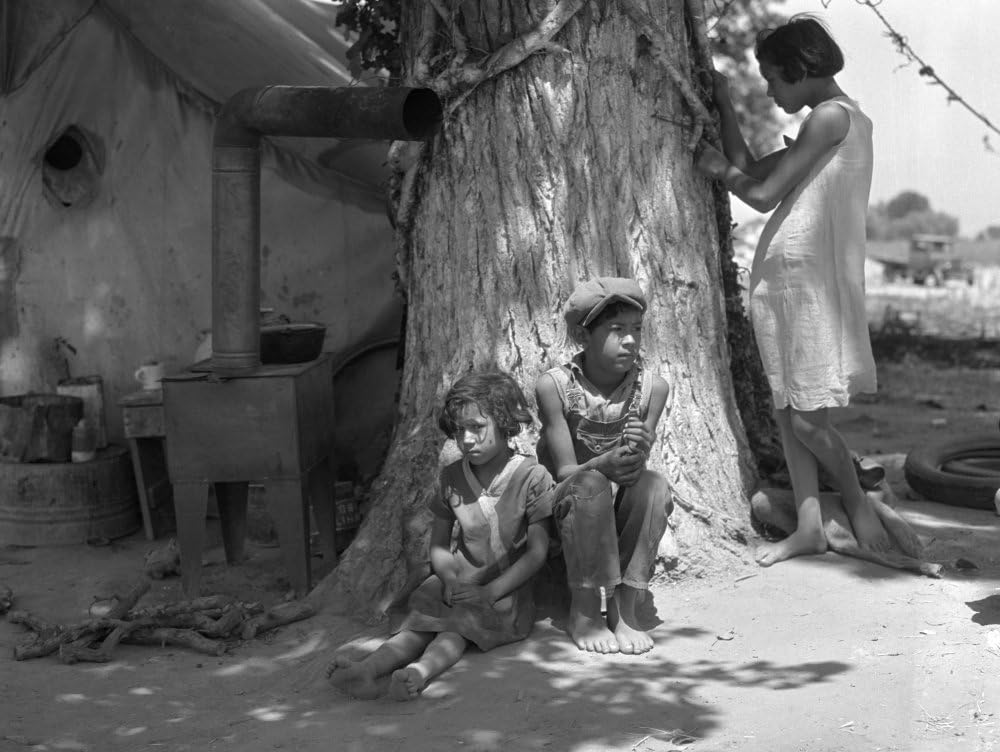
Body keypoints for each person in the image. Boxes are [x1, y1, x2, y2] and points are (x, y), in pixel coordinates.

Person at [696, 15, 891, 565]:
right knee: (787, 412)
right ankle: (809, 527)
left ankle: (856, 503)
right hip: (783, 281)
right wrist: (723, 102)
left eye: (774, 78)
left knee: (807, 418)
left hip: (810, 285)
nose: (770, 91)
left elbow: (759, 195)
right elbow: (752, 169)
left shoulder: (832, 117)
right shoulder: (824, 125)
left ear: (801, 70)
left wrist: (715, 168)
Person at [327, 370, 554, 701]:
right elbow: (439, 543)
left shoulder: (532, 477)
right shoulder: (451, 476)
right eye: (459, 430)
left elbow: (536, 553)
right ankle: (368, 669)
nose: (467, 439)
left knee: (455, 630)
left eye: (477, 427)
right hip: (455, 583)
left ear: (505, 422)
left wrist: (489, 592)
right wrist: (448, 579)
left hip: (503, 590)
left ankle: (418, 673)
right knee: (418, 626)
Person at [535, 277, 673, 655]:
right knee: (590, 483)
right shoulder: (555, 386)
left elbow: (633, 471)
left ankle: (624, 606)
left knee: (654, 486)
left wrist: (638, 450)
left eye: (636, 330)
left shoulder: (652, 388)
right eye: (616, 330)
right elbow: (565, 473)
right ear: (584, 335)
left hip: (613, 514)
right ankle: (584, 611)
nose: (630, 340)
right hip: (568, 512)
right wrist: (603, 463)